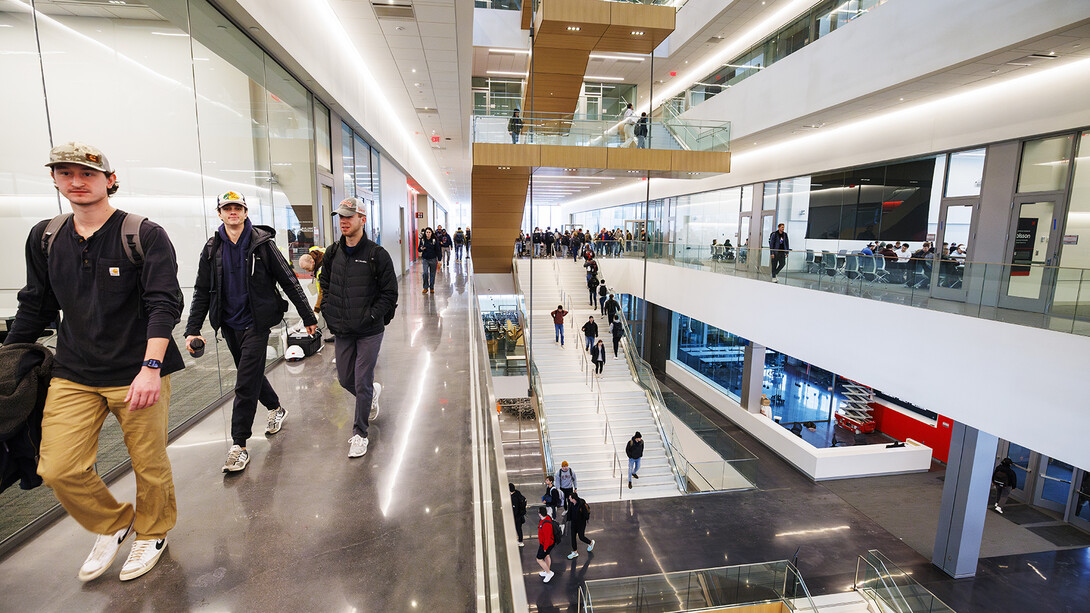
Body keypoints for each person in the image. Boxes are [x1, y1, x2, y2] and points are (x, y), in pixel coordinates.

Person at [4, 142, 185, 582]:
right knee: (57, 465)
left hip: (136, 372)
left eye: (86, 173)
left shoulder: (142, 233)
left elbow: (164, 303)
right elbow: (35, 305)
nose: (76, 182)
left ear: (109, 179)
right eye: (65, 174)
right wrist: (6, 358)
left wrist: (151, 368)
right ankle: (115, 522)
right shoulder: (46, 237)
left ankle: (153, 532)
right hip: (74, 372)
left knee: (148, 462)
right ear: (55, 180)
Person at [184, 191, 318, 473]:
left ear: (245, 212)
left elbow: (290, 280)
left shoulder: (262, 244)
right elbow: (201, 291)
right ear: (219, 213)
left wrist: (307, 315)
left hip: (257, 324)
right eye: (227, 208)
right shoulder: (212, 249)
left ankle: (239, 445)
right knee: (252, 374)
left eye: (238, 207)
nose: (233, 212)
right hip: (230, 325)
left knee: (244, 383)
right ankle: (276, 408)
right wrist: (193, 328)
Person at [321, 198, 399, 459]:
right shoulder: (333, 253)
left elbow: (390, 292)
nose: (343, 221)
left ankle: (359, 433)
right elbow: (326, 282)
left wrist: (373, 314)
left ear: (362, 220)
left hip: (369, 330)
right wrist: (330, 312)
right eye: (340, 217)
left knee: (362, 378)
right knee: (345, 379)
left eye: (349, 217)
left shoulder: (377, 255)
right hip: (342, 327)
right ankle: (371, 394)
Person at [565, 492, 595, 559]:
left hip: (581, 524)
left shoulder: (581, 504)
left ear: (573, 499)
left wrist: (581, 519)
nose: (569, 499)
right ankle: (575, 552)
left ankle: (590, 543)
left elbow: (586, 515)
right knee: (573, 537)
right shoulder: (571, 503)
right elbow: (570, 511)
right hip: (573, 523)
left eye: (570, 498)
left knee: (581, 537)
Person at [535, 507, 557, 583]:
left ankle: (549, 573)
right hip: (546, 543)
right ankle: (547, 570)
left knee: (539, 559)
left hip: (546, 544)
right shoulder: (546, 518)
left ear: (540, 514)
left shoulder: (546, 524)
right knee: (547, 556)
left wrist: (545, 548)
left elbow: (547, 538)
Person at [418, 227, 440, 294]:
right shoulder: (422, 240)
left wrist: (439, 259)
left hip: (433, 259)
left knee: (432, 274)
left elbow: (438, 249)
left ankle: (432, 288)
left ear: (431, 233)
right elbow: (419, 249)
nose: (428, 234)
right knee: (425, 273)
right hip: (425, 259)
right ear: (425, 233)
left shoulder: (434, 240)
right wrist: (421, 248)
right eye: (427, 232)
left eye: (429, 232)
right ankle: (425, 287)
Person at [509, 483, 527, 547]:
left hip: (517, 516)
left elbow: (515, 508)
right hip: (520, 515)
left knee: (518, 528)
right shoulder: (517, 493)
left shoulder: (514, 498)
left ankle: (520, 541)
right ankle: (520, 540)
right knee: (519, 528)